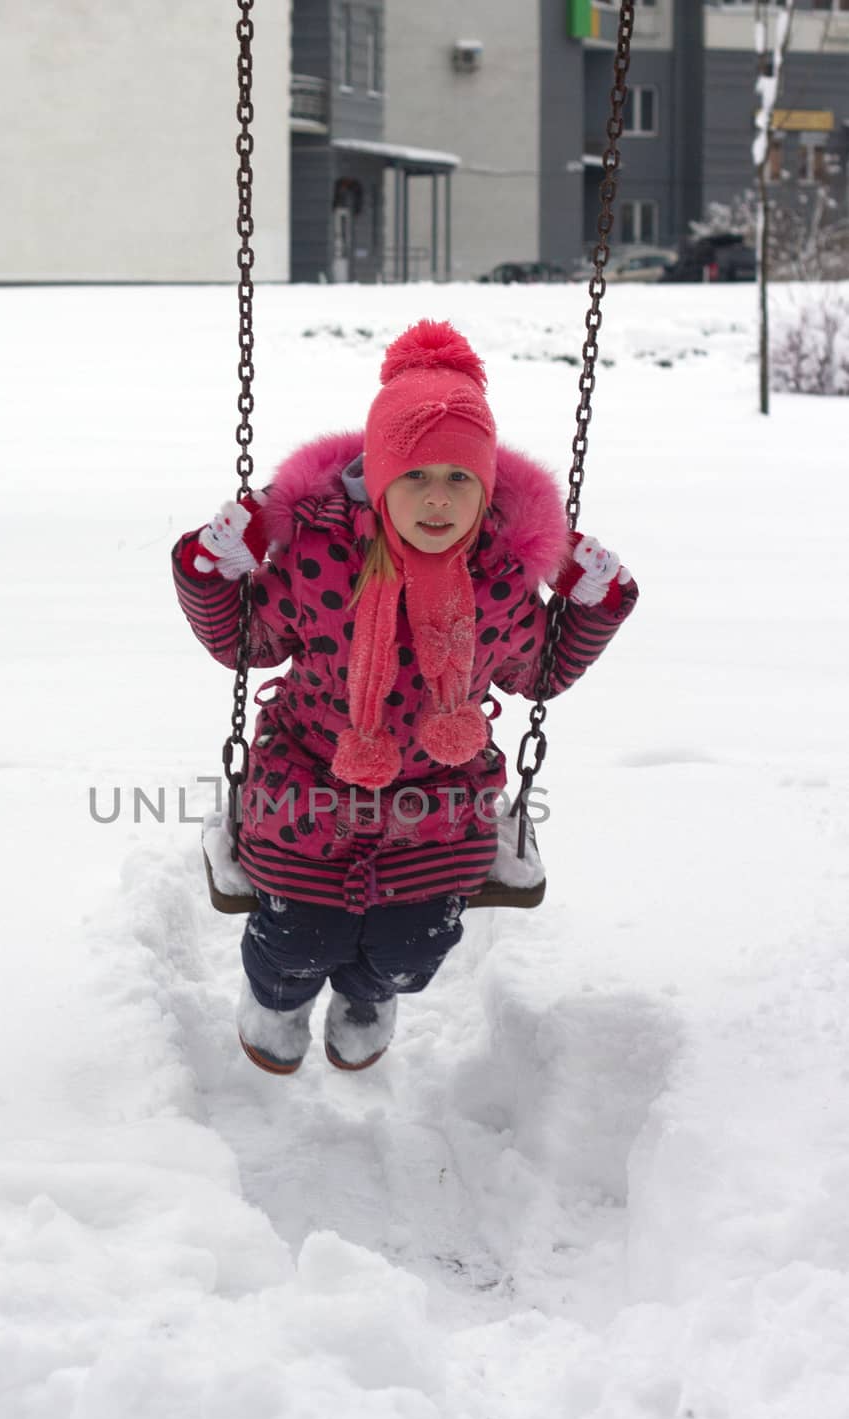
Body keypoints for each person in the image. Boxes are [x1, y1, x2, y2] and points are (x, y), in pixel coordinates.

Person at [172, 321, 637, 1075]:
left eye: (459, 478)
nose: (436, 500)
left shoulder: (498, 578)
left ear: (485, 490)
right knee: (295, 941)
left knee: (410, 951)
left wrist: (594, 604)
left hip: (439, 805)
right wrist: (209, 572)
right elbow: (243, 646)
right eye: (415, 475)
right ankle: (278, 1000)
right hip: (305, 790)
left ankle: (369, 996)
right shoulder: (320, 557)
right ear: (378, 476)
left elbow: (537, 675)